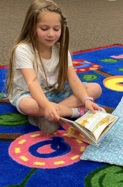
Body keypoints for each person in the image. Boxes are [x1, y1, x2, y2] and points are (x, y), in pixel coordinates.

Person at [5, 0, 105, 134]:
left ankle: (49, 114)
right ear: (31, 27)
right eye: (44, 29)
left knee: (95, 89)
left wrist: (86, 100)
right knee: (28, 105)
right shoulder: (22, 50)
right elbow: (32, 83)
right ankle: (73, 112)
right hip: (29, 95)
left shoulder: (61, 50)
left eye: (56, 29)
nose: (51, 34)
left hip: (55, 92)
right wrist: (46, 105)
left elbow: (74, 80)